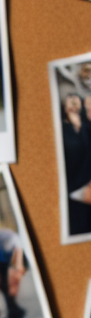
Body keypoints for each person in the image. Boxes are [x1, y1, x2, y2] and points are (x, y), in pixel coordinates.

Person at [61, 92, 91, 236]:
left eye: (76, 101)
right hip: (72, 189)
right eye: (70, 101)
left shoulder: (87, 127)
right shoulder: (62, 130)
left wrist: (80, 127)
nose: (74, 103)